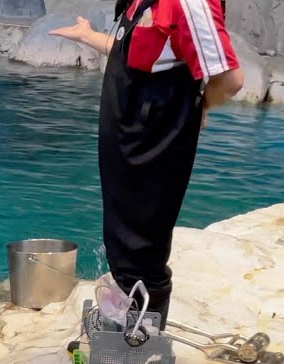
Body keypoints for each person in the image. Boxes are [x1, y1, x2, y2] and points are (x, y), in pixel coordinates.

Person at [50, 0, 242, 327]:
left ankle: (137, 343)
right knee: (123, 236)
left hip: (153, 139)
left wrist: (196, 110)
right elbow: (143, 56)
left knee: (142, 243)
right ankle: (124, 326)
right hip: (130, 133)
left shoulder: (189, 3)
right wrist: (88, 36)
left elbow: (230, 79)